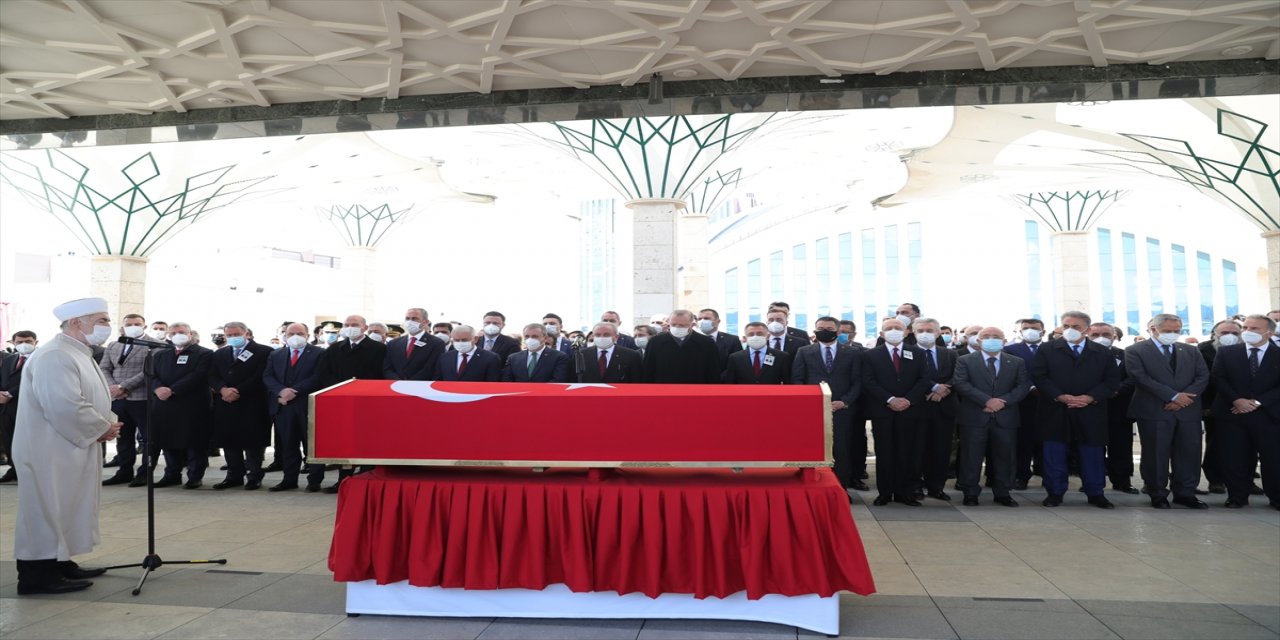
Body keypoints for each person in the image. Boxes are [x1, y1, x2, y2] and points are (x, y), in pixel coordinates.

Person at [13, 297, 121, 594]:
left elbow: (93, 395)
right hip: (49, 449)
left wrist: (106, 422)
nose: (107, 327)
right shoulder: (54, 355)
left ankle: (60, 562)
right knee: (46, 509)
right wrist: (101, 428)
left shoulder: (78, 353)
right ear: (76, 323)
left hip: (69, 445)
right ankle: (36, 576)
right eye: (102, 321)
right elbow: (63, 404)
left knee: (67, 506)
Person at [1030, 311, 1121, 509]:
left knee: (1093, 454)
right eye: (1066, 325)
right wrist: (1060, 396)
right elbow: (1039, 376)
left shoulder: (1102, 351)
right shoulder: (1047, 349)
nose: (1070, 330)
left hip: (1090, 410)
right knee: (1054, 453)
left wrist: (1089, 398)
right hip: (1055, 409)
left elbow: (1111, 381)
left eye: (1076, 327)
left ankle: (1096, 493)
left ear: (1087, 330)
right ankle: (1055, 492)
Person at [1126, 313, 1212, 509]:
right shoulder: (1135, 350)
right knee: (1156, 453)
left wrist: (1183, 399)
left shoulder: (1190, 350)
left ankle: (1185, 492)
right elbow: (1140, 377)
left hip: (1187, 410)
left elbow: (1202, 376)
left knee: (1189, 453)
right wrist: (1172, 396)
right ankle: (1157, 493)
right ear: (1154, 329)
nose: (1173, 334)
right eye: (1168, 331)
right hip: (1154, 409)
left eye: (1176, 331)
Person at [952, 327, 1032, 507]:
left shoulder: (1016, 361)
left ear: (1004, 341)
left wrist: (1002, 401)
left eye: (996, 337)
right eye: (986, 337)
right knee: (971, 456)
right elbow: (961, 383)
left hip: (1006, 417)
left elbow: (1022, 386)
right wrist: (987, 401)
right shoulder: (964, 360)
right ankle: (970, 492)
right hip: (974, 416)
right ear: (978, 341)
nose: (991, 339)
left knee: (1005, 456)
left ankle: (1003, 492)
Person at [1211, 314, 1279, 510]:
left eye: (1255, 329)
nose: (1248, 332)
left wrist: (1258, 402)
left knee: (1273, 458)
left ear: (1270, 332)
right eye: (1246, 327)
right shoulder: (1227, 352)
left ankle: (1276, 497)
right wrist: (1237, 400)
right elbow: (1219, 378)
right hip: (1232, 412)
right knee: (1234, 457)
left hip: (1269, 414)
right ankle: (1237, 497)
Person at [862, 317, 930, 506]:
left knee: (907, 452)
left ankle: (904, 492)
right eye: (889, 328)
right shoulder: (870, 355)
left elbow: (924, 380)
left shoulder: (917, 353)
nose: (894, 331)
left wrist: (908, 400)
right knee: (884, 452)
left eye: (898, 328)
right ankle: (885, 492)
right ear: (882, 334)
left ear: (907, 332)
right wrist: (890, 399)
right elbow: (868, 381)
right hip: (883, 410)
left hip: (910, 410)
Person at [792, 316, 864, 492]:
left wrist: (845, 401)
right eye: (820, 327)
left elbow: (858, 382)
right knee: (813, 449)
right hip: (813, 411)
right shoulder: (804, 351)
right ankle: (813, 488)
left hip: (842, 410)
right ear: (815, 330)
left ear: (838, 331)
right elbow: (797, 379)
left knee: (842, 450)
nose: (824, 331)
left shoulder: (853, 352)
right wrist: (813, 402)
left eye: (829, 328)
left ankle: (840, 489)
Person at [317, 315, 387, 493]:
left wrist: (361, 389)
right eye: (347, 325)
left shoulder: (378, 349)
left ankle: (366, 477)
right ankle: (343, 479)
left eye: (354, 325)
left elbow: (380, 374)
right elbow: (325, 373)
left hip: (368, 402)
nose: (350, 328)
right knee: (345, 441)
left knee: (367, 440)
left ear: (364, 327)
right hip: (342, 401)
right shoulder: (334, 348)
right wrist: (339, 389)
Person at [208, 321, 272, 491]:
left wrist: (237, 390)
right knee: (229, 441)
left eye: (236, 335)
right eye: (229, 335)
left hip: (252, 402)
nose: (233, 338)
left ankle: (254, 476)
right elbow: (212, 375)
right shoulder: (220, 354)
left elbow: (261, 376)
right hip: (226, 403)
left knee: (253, 442)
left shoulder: (264, 351)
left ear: (246, 334)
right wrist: (222, 390)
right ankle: (234, 475)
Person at [149, 322, 214, 489]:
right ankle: (172, 474)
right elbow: (151, 375)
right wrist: (158, 388)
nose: (178, 335)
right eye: (174, 332)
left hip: (192, 405)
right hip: (165, 404)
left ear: (190, 334)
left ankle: (194, 476)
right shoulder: (161, 354)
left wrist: (172, 390)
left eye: (182, 332)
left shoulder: (204, 353)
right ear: (169, 336)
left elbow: (197, 376)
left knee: (194, 442)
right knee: (168, 441)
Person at [263, 323, 325, 492]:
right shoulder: (276, 354)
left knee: (311, 445)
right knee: (288, 445)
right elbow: (268, 376)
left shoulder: (320, 353)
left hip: (308, 406)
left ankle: (314, 480)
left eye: (299, 333)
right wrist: (281, 392)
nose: (295, 336)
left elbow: (318, 377)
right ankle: (289, 479)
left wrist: (295, 391)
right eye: (291, 333)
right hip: (284, 406)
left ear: (307, 335)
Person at [100, 315, 152, 487]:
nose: (133, 327)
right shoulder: (114, 345)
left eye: (137, 324)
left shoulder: (153, 345)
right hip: (117, 398)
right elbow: (104, 368)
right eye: (129, 324)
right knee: (123, 437)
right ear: (122, 327)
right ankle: (124, 471)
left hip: (141, 397)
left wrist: (124, 386)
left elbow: (148, 371)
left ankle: (144, 473)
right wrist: (113, 387)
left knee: (147, 438)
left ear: (144, 326)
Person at [1089, 322, 1139, 494]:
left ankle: (1122, 481)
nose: (1100, 338)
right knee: (1092, 447)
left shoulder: (1126, 355)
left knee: (1121, 447)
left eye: (1106, 334)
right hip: (1090, 408)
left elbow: (1133, 378)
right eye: (1095, 335)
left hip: (1118, 408)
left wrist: (1115, 390)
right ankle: (1091, 481)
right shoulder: (1080, 356)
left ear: (1114, 337)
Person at [912, 318, 958, 501]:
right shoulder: (908, 353)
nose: (925, 333)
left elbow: (958, 375)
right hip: (918, 407)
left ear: (938, 333)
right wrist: (933, 387)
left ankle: (936, 487)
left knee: (941, 449)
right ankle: (915, 486)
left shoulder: (949, 354)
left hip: (944, 407)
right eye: (921, 330)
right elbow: (910, 377)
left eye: (929, 330)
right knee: (916, 449)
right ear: (914, 333)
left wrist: (944, 389)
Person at [1199, 319, 1244, 495]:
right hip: (1214, 406)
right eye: (1225, 333)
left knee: (1244, 446)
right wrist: (1206, 406)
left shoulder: (1246, 349)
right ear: (1215, 334)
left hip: (1243, 405)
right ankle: (1216, 480)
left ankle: (1245, 480)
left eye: (1235, 333)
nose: (1230, 337)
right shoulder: (1204, 349)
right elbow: (1205, 379)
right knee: (1215, 444)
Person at [1004, 317, 1046, 490]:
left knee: (1047, 441)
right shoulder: (1010, 350)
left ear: (1042, 331)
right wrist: (1031, 387)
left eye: (1034, 328)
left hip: (1049, 401)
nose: (1030, 330)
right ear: (1020, 331)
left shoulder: (1052, 349)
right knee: (1023, 442)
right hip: (1022, 402)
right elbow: (1011, 375)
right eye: (1026, 328)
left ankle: (1047, 474)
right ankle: (1021, 476)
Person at [642, 309, 721, 384]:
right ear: (669, 323)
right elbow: (648, 369)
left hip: (696, 390)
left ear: (692, 324)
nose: (677, 327)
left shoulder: (706, 343)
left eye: (682, 325)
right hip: (664, 390)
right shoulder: (655, 342)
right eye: (673, 324)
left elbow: (713, 372)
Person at [0, 330, 38, 484]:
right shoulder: (9, 359)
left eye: (28, 341)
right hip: (5, 407)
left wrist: (9, 393)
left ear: (35, 342)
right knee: (8, 438)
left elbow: (32, 380)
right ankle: (13, 468)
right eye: (19, 342)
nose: (23, 345)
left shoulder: (40, 359)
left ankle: (28, 471)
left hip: (26, 405)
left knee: (27, 440)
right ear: (13, 343)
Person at [384, 308, 444, 381]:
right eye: (407, 318)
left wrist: (410, 383)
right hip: (396, 386)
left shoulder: (436, 343)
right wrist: (398, 381)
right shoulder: (393, 343)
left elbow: (430, 368)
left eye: (414, 319)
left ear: (425, 322)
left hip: (421, 387)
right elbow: (388, 368)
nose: (410, 321)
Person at [723, 322, 791, 384]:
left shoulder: (781, 356)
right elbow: (730, 382)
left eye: (759, 334)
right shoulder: (735, 358)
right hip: (745, 395)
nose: (755, 336)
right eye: (751, 334)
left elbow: (787, 382)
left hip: (771, 395)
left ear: (767, 336)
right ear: (745, 338)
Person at [577, 322, 643, 383]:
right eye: (597, 335)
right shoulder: (581, 354)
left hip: (619, 393)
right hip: (589, 393)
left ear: (616, 337)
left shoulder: (631, 355)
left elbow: (636, 380)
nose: (601, 337)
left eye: (606, 335)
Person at [503, 324, 570, 383]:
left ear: (545, 338)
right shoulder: (513, 358)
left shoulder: (559, 357)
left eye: (535, 336)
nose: (530, 339)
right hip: (519, 395)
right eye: (527, 336)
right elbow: (507, 380)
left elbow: (559, 380)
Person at [435, 325, 502, 382]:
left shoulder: (491, 358)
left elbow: (492, 383)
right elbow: (439, 380)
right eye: (457, 340)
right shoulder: (445, 357)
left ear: (475, 339)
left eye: (464, 340)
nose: (460, 343)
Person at [697, 308, 743, 372]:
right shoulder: (690, 340)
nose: (702, 321)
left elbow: (737, 364)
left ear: (717, 321)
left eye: (706, 318)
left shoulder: (732, 340)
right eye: (699, 319)